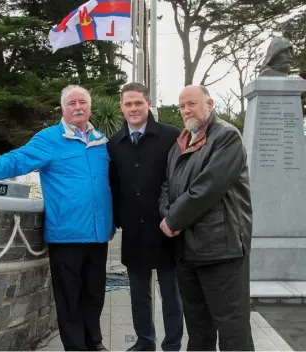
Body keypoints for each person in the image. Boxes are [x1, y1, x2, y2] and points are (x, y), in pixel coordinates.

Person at [0, 85, 113, 351]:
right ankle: (76, 347)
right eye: (72, 103)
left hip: (99, 234)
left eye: (83, 103)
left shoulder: (101, 141)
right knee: (69, 298)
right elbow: (20, 158)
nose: (78, 107)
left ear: (90, 107)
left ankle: (94, 342)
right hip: (67, 234)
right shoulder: (49, 138)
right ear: (63, 109)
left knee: (94, 295)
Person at [159, 85, 254, 351]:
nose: (186, 110)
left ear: (209, 104)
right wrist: (167, 216)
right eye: (182, 106)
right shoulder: (181, 141)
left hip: (220, 249)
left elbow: (207, 187)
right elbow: (167, 185)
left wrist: (173, 220)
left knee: (232, 328)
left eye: (192, 103)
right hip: (187, 250)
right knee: (198, 328)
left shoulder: (226, 137)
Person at [108, 83, 183, 351]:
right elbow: (113, 185)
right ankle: (144, 341)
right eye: (128, 104)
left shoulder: (171, 136)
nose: (133, 109)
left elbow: (180, 180)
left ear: (148, 103)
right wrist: (116, 221)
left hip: (166, 229)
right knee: (138, 295)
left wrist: (177, 218)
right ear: (121, 107)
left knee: (171, 294)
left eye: (138, 103)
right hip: (133, 232)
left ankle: (172, 344)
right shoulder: (114, 143)